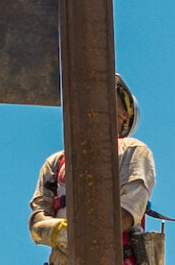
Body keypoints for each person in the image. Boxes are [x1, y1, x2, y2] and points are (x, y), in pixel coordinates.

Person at [29, 79, 157, 265]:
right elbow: (37, 220)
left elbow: (129, 211)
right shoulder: (56, 162)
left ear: (124, 116)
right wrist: (62, 232)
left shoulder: (132, 150)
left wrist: (86, 240)